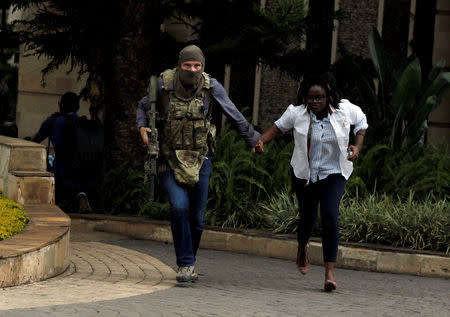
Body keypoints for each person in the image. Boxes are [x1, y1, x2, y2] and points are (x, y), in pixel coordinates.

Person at [136, 45, 260, 282]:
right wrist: (142, 126)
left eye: (196, 66)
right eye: (187, 65)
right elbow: (143, 106)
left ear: (202, 66)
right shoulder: (164, 85)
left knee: (198, 219)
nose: (192, 70)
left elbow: (233, 113)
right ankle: (185, 264)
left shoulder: (210, 87)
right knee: (179, 206)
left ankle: (188, 260)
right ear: (179, 65)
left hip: (201, 158)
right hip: (168, 158)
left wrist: (253, 139)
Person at [254, 74, 368, 292]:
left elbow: (362, 123)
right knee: (307, 218)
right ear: (304, 98)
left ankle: (329, 273)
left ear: (329, 96)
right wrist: (261, 142)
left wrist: (357, 146)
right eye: (310, 98)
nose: (315, 102)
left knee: (330, 216)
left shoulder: (345, 109)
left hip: (334, 172)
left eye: (319, 98)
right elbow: (277, 128)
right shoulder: (296, 113)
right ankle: (301, 246)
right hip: (305, 174)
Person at [31, 92, 93, 213]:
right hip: (81, 173)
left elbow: (36, 140)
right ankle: (81, 199)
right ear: (78, 107)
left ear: (61, 105)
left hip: (60, 171)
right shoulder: (83, 122)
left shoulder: (53, 121)